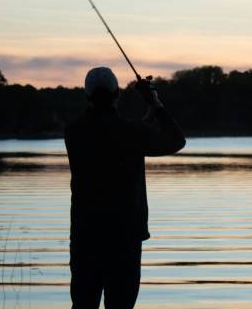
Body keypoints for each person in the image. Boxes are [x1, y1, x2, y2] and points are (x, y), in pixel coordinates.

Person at [64, 67, 186, 309]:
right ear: (117, 94)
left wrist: (148, 115)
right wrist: (155, 104)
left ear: (86, 96)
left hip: (86, 238)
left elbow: (111, 136)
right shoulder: (132, 133)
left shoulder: (73, 132)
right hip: (124, 240)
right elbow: (176, 140)